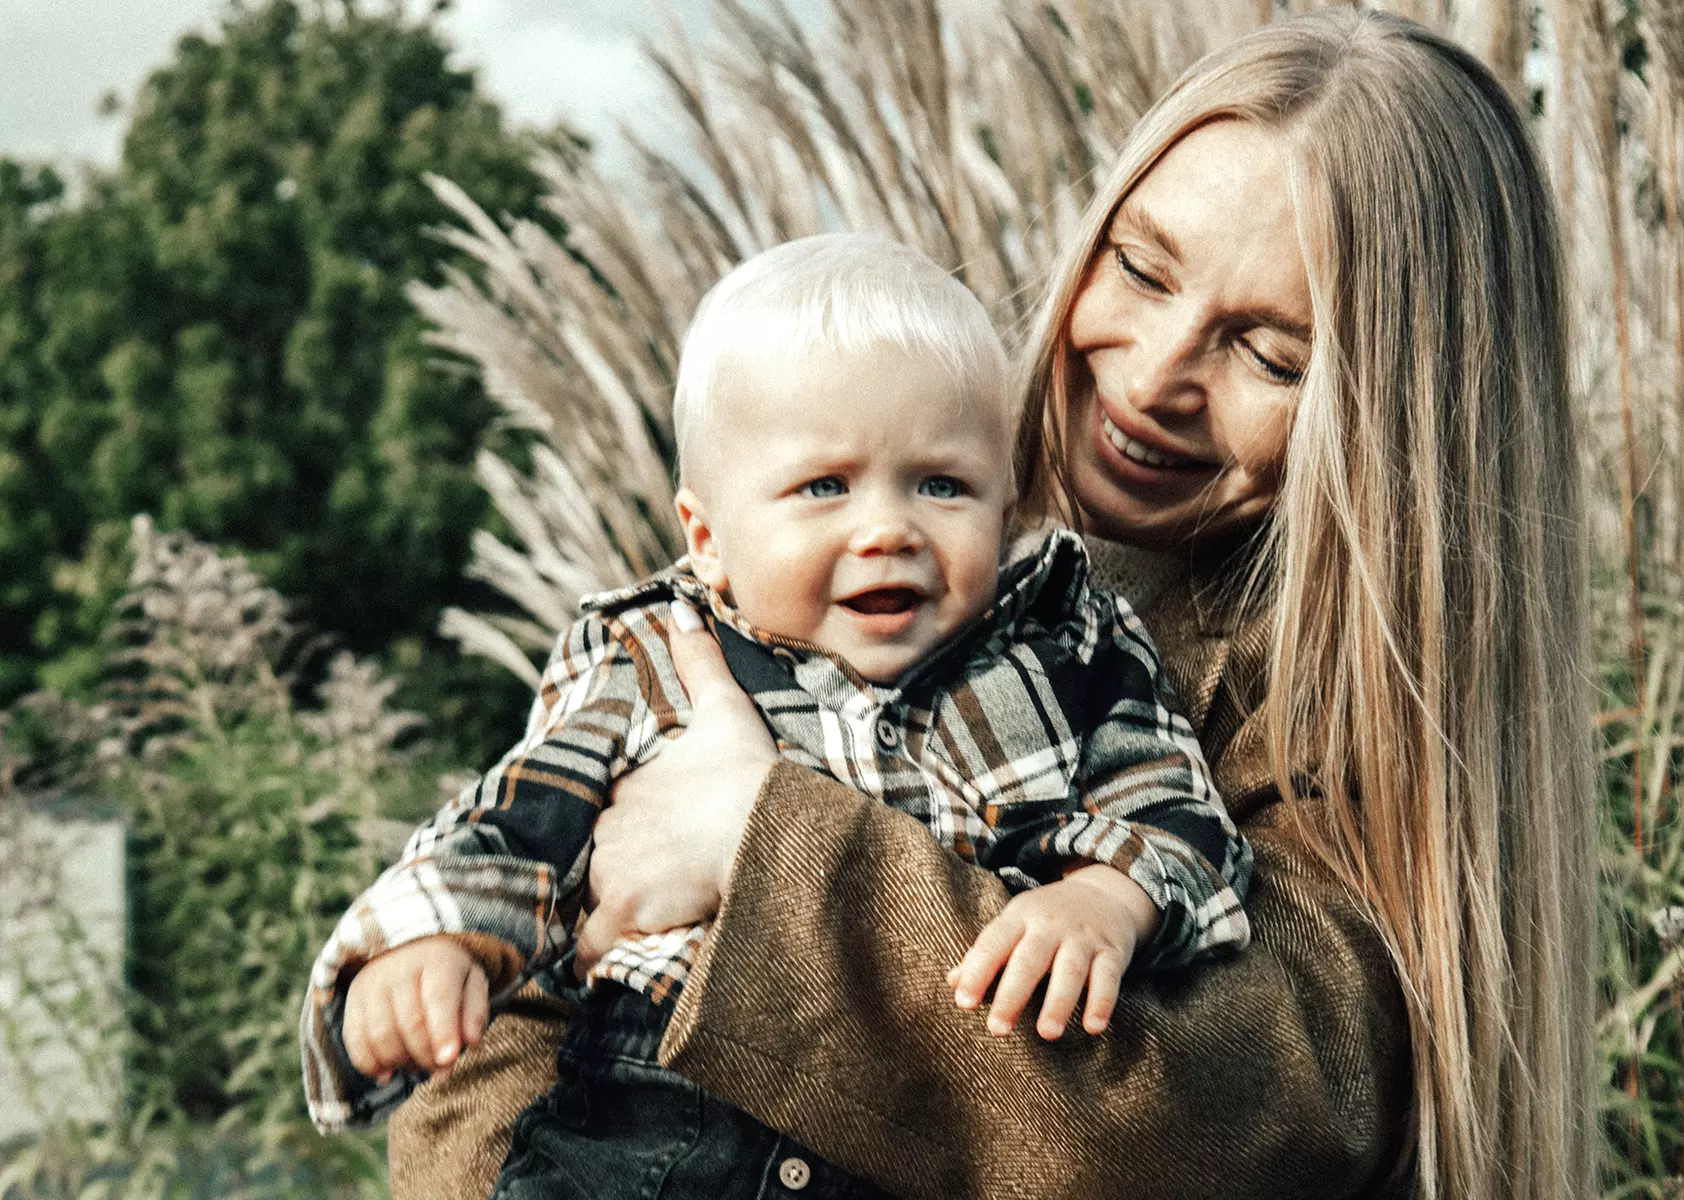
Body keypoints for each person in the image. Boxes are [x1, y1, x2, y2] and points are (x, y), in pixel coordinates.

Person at [392, 8, 1597, 1199]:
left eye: (1269, 354)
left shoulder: (1356, 731)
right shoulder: (857, 544)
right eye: (1140, 266)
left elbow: (1211, 1122)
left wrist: (760, 844)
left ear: (1406, 420)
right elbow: (498, 1014)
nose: (1153, 372)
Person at [301, 234, 1255, 1195]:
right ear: (709, 540)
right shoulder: (657, 655)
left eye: (941, 484)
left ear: (1006, 506)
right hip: (656, 1123)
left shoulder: (1070, 643)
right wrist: (433, 941)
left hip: (915, 1126)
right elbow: (521, 822)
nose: (886, 528)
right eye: (824, 487)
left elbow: (1181, 817)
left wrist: (1106, 897)